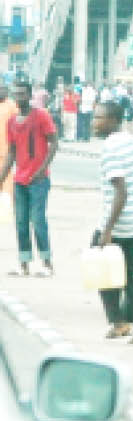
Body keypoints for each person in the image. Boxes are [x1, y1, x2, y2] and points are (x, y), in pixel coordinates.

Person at [91, 101, 133, 341]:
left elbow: (121, 191)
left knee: (103, 269)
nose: (94, 122)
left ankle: (119, 322)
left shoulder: (110, 148)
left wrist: (107, 229)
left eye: (99, 118)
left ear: (113, 120)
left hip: (121, 225)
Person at [0, 80, 58, 277]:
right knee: (21, 223)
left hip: (39, 180)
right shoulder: (12, 122)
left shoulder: (41, 116)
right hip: (20, 180)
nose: (19, 97)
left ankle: (47, 263)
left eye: (23, 94)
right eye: (16, 94)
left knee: (38, 221)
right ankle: (24, 263)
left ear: (30, 95)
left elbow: (54, 143)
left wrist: (42, 169)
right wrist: (2, 177)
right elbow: (11, 153)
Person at [0, 84, 18, 197]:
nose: (3, 92)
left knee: (6, 177)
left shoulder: (11, 105)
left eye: (4, 90)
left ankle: (6, 203)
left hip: (6, 149)